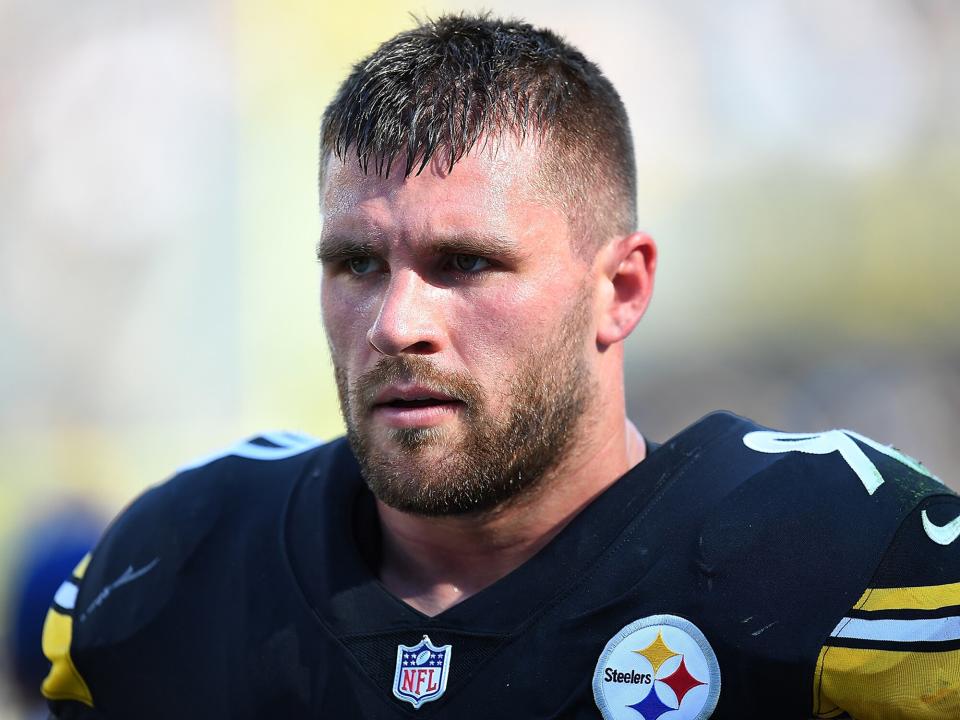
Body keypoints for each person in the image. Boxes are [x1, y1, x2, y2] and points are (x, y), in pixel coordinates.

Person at [41, 14, 958, 720]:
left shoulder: (843, 569)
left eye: (466, 263)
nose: (397, 323)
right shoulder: (171, 575)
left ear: (621, 289)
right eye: (357, 264)